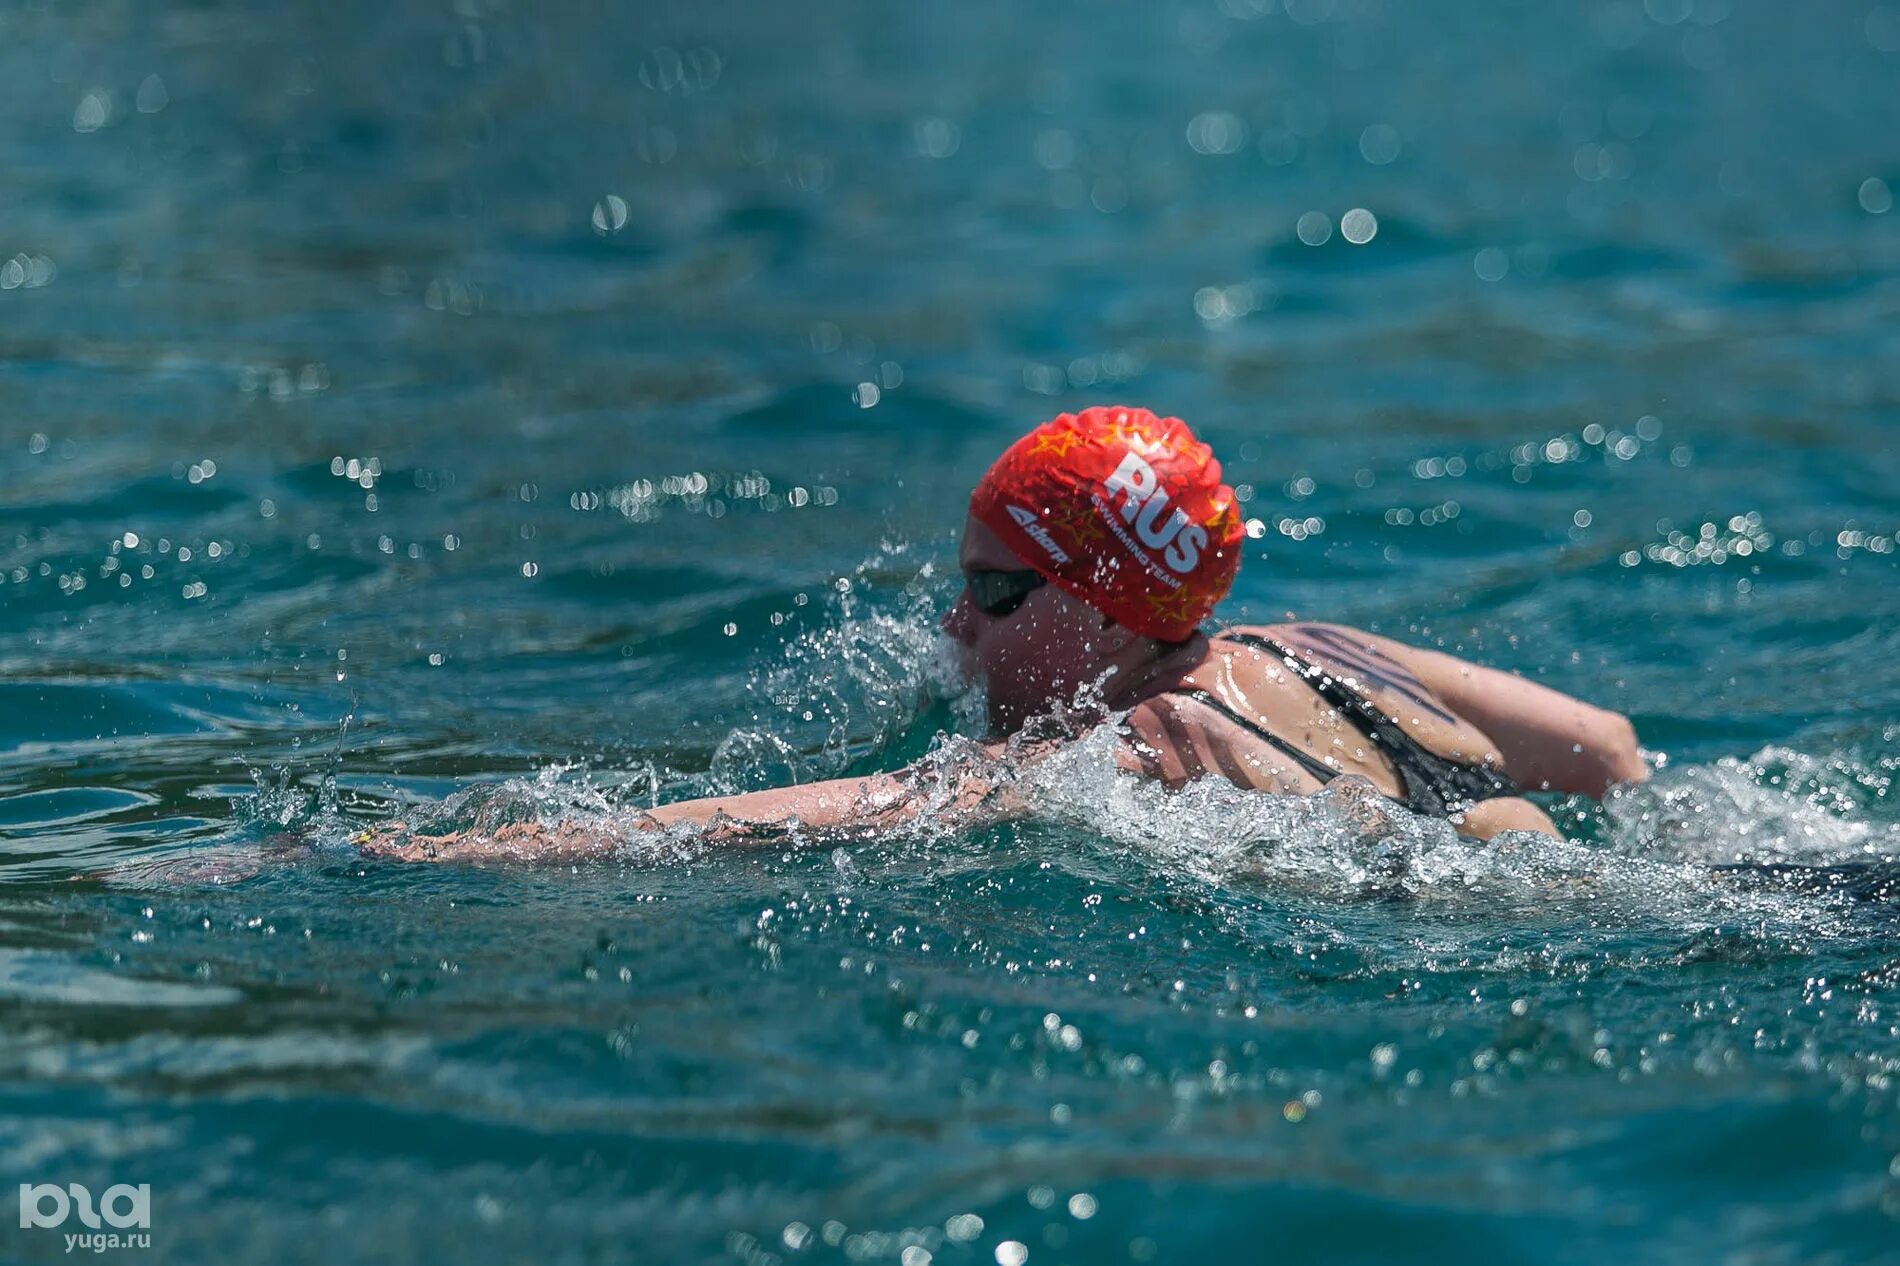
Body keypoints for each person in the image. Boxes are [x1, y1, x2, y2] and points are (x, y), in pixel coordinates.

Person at [361, 406, 1646, 863]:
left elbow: (866, 810)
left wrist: (490, 850)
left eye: (991, 592)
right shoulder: (1330, 649)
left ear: (1100, 606)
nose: (953, 627)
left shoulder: (1140, 748)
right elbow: (1607, 752)